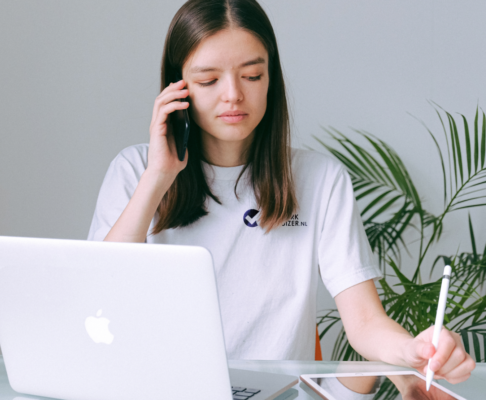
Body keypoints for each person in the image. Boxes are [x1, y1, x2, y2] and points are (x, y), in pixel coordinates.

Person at [88, 0, 475, 385]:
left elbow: (365, 322)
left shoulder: (321, 180)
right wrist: (158, 176)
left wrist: (413, 352)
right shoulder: (134, 171)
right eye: (208, 80)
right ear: (178, 88)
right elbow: (99, 298)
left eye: (252, 76)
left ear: (271, 77)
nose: (233, 95)